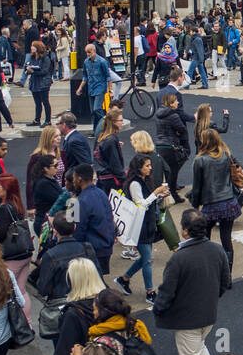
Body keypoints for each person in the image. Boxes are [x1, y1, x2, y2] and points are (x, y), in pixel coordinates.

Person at [154, 209, 230, 355]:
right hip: (208, 315)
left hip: (187, 320)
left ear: (185, 231)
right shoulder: (217, 251)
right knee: (200, 353)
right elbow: (225, 283)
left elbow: (167, 292)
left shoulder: (179, 259)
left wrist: (158, 309)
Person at [115, 154, 169, 296]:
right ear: (139, 168)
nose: (150, 168)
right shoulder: (134, 184)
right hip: (140, 227)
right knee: (149, 259)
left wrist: (158, 196)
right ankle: (150, 292)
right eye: (147, 166)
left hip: (147, 224)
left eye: (150, 165)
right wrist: (156, 193)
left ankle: (124, 278)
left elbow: (146, 201)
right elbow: (141, 205)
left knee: (146, 257)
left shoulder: (145, 180)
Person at [191, 128, 242, 270]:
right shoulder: (225, 155)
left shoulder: (200, 160)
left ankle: (209, 268)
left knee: (205, 238)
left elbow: (196, 187)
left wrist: (195, 207)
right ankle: (228, 273)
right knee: (226, 239)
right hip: (229, 201)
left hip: (211, 203)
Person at [67, 164, 114, 275]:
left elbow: (78, 230)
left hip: (92, 249)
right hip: (106, 245)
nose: (73, 181)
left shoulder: (80, 201)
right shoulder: (101, 193)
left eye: (74, 178)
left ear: (79, 179)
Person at [73, 42, 112, 134]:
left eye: (89, 52)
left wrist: (110, 90)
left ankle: (107, 124)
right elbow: (85, 77)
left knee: (97, 109)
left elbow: (108, 76)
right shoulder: (86, 62)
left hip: (100, 87)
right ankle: (96, 131)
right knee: (93, 112)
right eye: (86, 52)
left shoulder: (102, 62)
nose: (88, 54)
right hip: (91, 88)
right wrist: (80, 88)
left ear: (94, 51)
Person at [93, 106, 127, 193]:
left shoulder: (102, 136)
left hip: (103, 178)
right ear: (113, 122)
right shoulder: (111, 140)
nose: (122, 123)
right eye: (120, 120)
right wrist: (124, 179)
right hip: (111, 181)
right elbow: (115, 163)